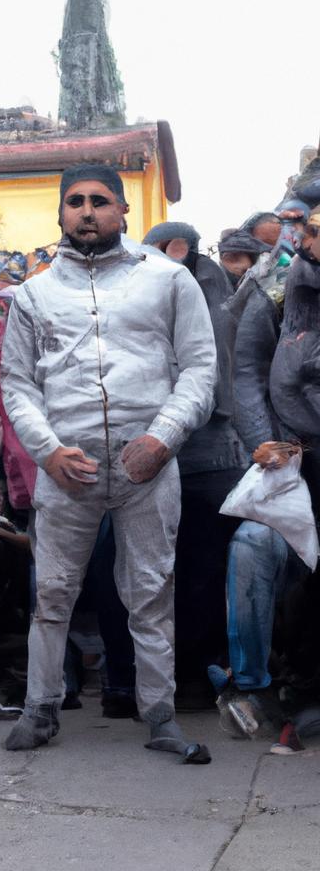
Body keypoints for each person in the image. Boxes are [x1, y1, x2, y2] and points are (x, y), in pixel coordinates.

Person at [0, 165, 217, 762]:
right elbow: (16, 384)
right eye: (75, 202)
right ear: (61, 214)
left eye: (100, 201)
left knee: (150, 590)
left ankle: (160, 714)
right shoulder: (34, 293)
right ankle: (40, 709)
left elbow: (200, 367)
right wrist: (47, 450)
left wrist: (163, 438)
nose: (87, 212)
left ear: (123, 211)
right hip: (66, 466)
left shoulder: (168, 280)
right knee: (53, 592)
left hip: (147, 460)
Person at [142, 221, 248, 710]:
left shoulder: (192, 287)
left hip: (195, 453)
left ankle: (188, 675)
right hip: (182, 451)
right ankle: (191, 675)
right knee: (184, 571)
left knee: (186, 570)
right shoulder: (214, 285)